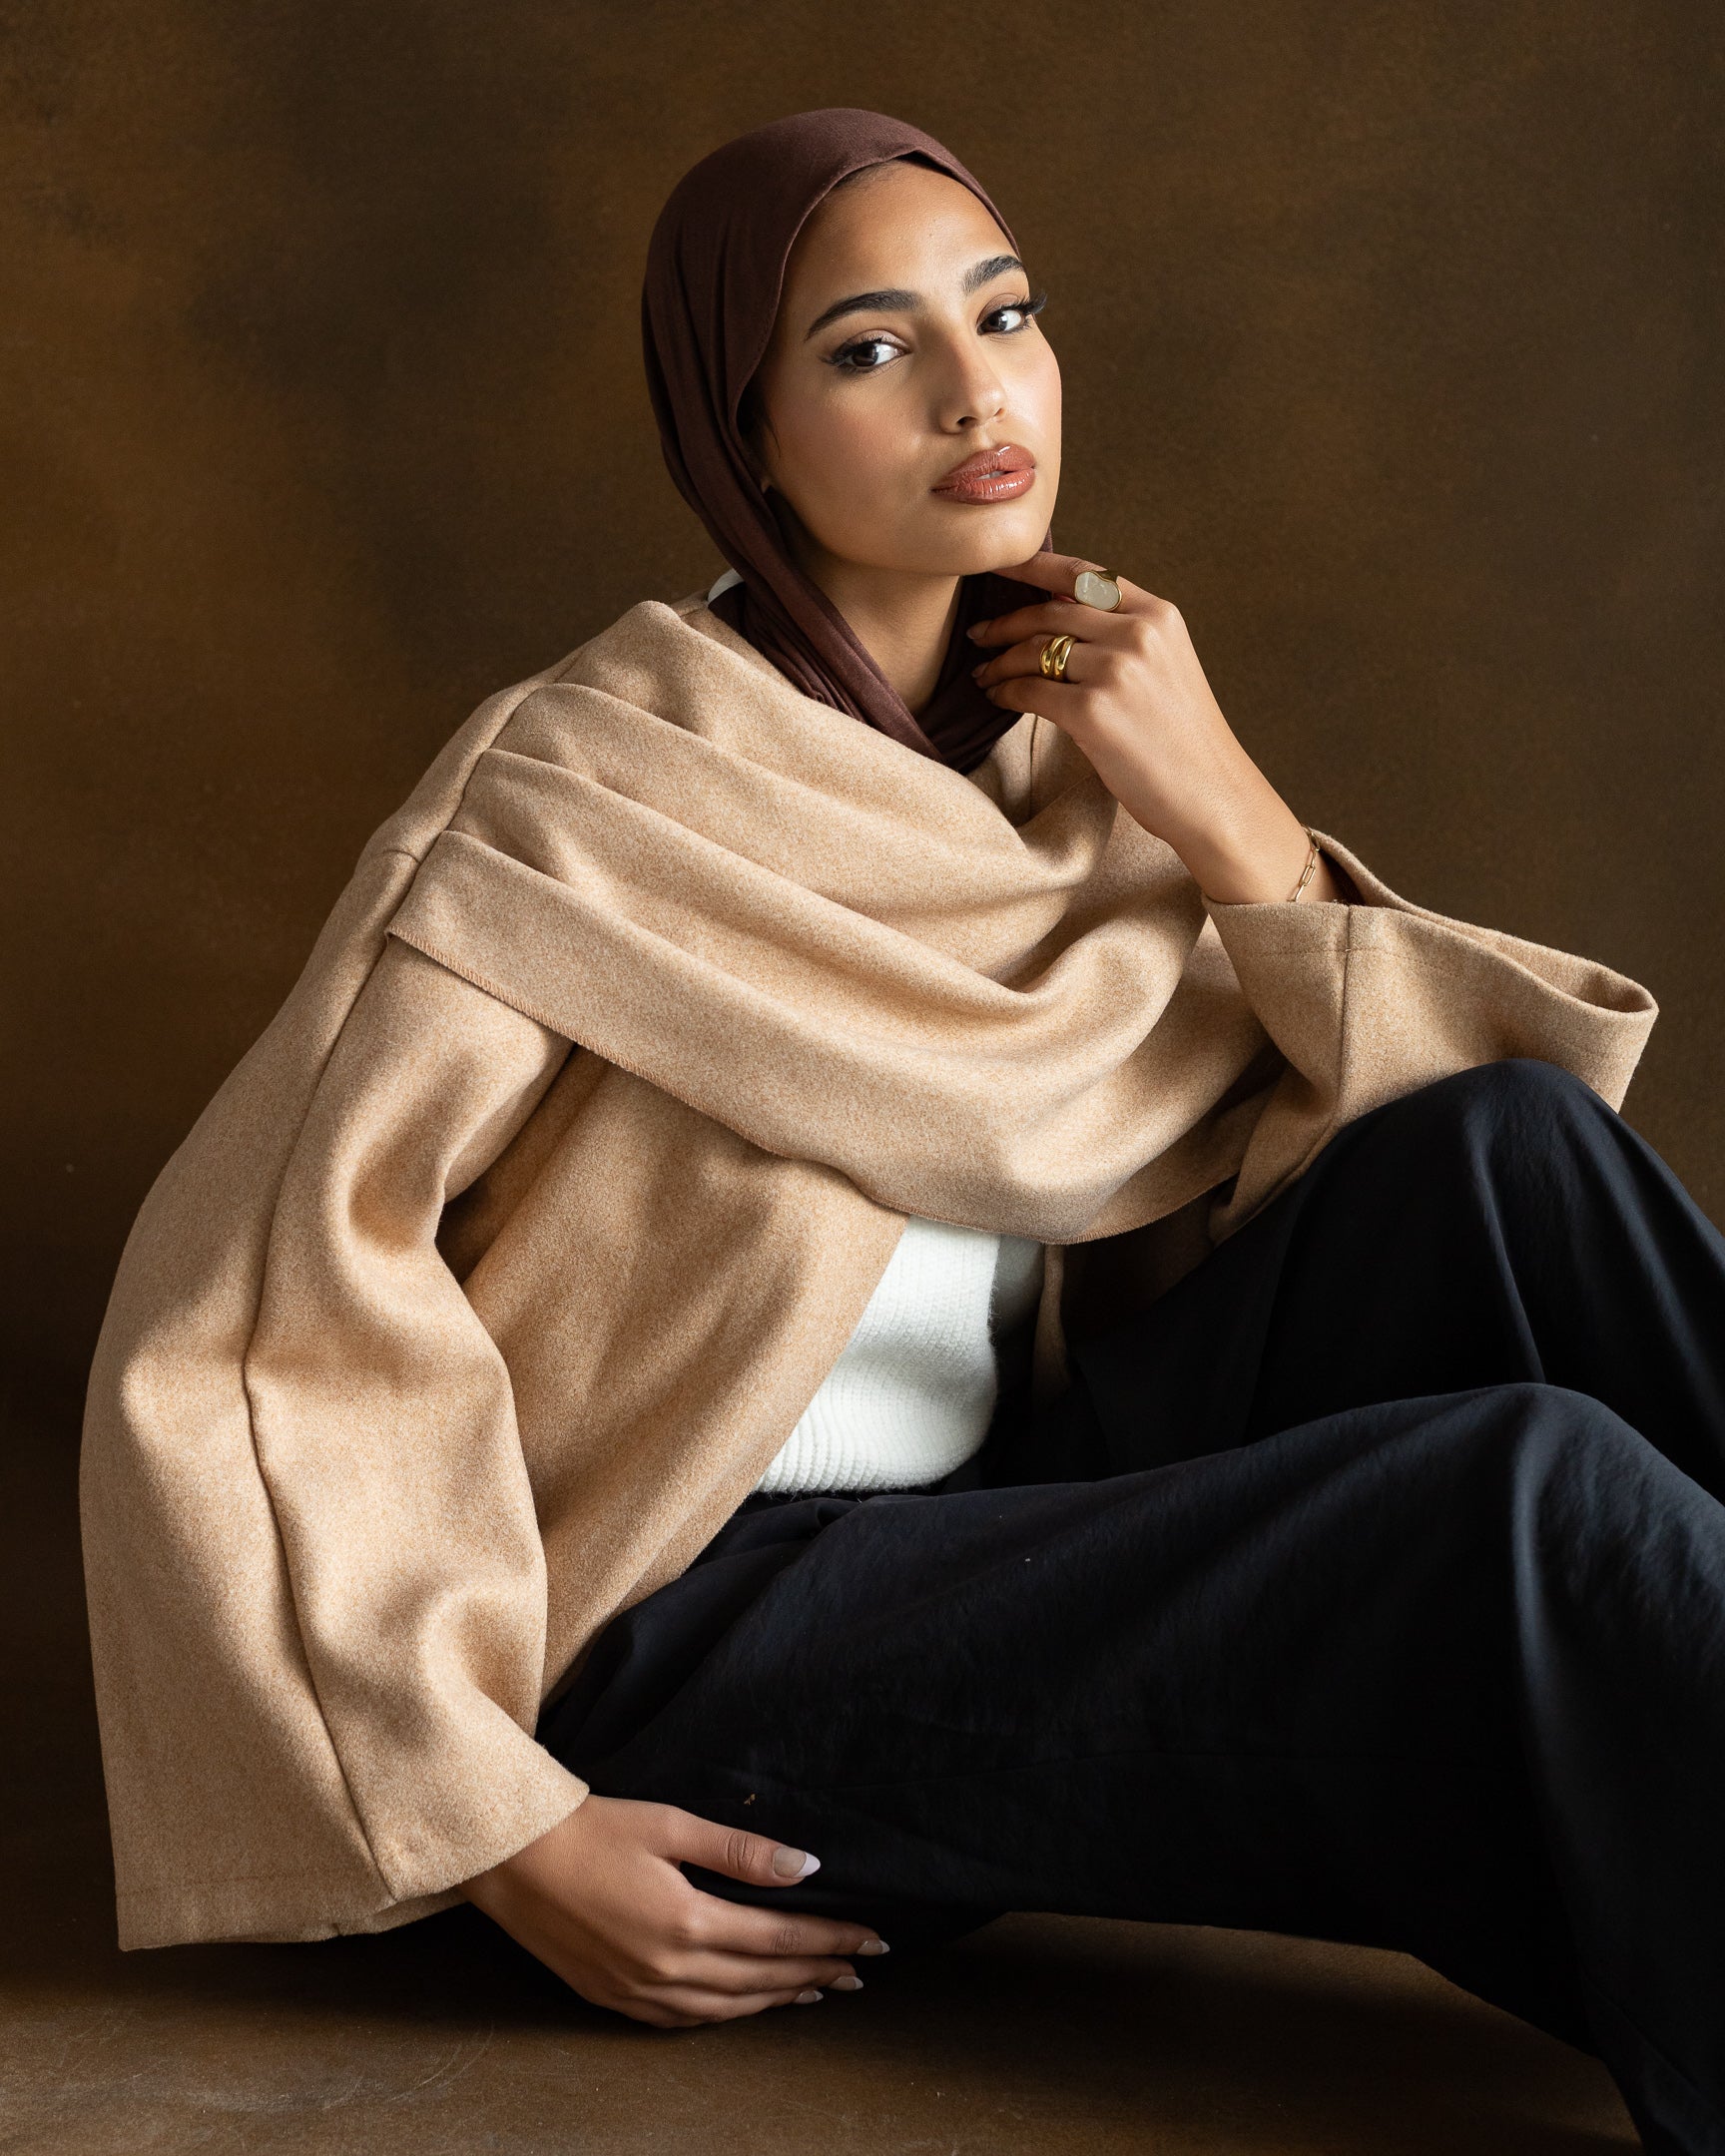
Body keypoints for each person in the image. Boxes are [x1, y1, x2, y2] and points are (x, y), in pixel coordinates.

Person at [80, 110, 1721, 2154]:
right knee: (1527, 1506)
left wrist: (1232, 823)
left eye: (1005, 315)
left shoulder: (1073, 763)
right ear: (745, 436)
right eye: (870, 349)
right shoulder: (577, 796)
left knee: (1506, 1154)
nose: (974, 390)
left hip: (990, 1526)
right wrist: (497, 1823)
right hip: (685, 1659)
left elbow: (1338, 1151)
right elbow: (246, 1323)